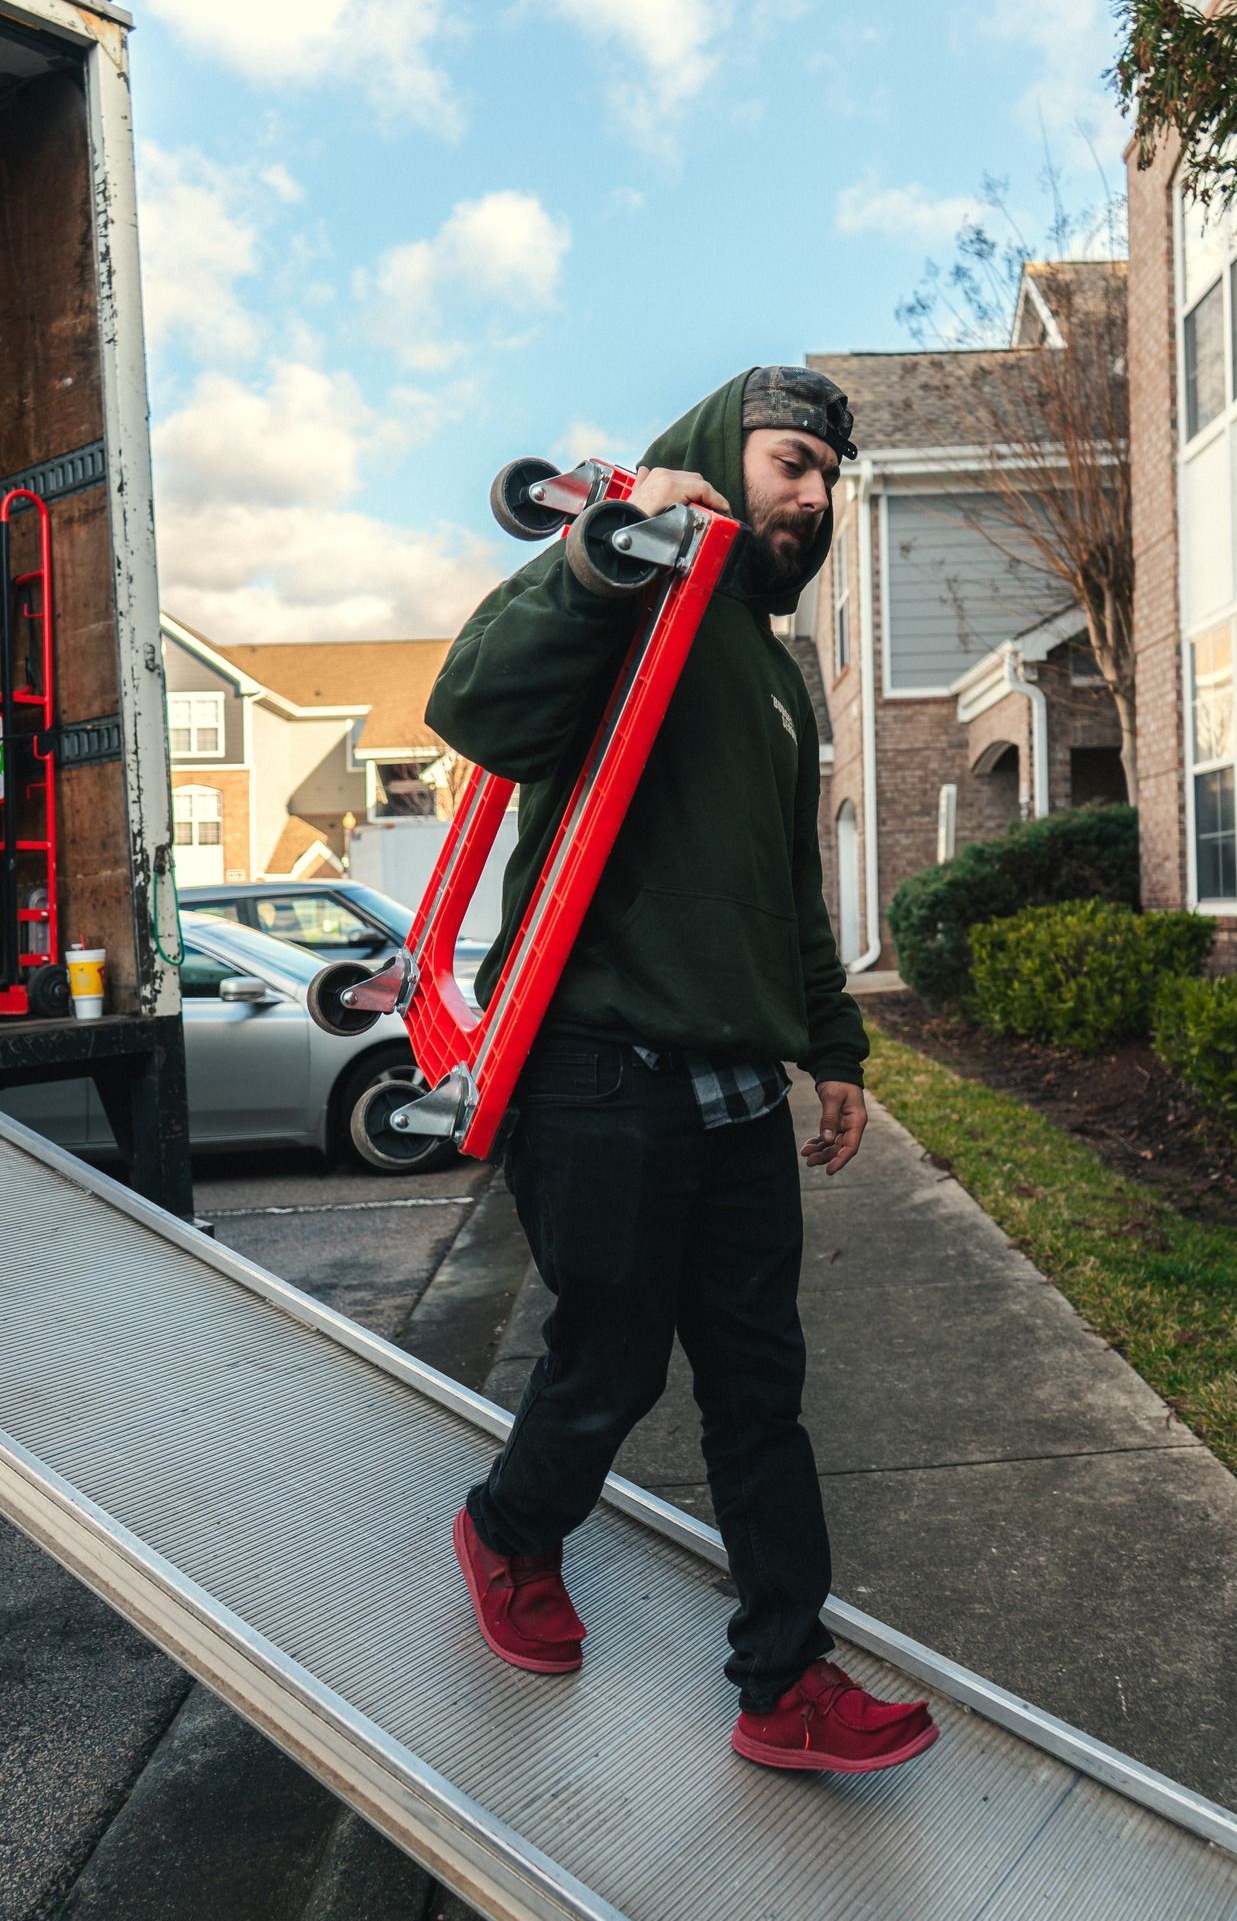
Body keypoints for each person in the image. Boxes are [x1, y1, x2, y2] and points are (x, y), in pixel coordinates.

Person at [425, 366, 938, 1773]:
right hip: (595, 1068)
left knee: (758, 1391)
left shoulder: (773, 677)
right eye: (791, 465)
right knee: (605, 1361)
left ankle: (783, 1680)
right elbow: (475, 707)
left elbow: (787, 893)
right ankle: (509, 1531)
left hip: (728, 1094)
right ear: (724, 454)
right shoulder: (632, 595)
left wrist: (831, 1052)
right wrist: (597, 557)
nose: (813, 497)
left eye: (829, 478)